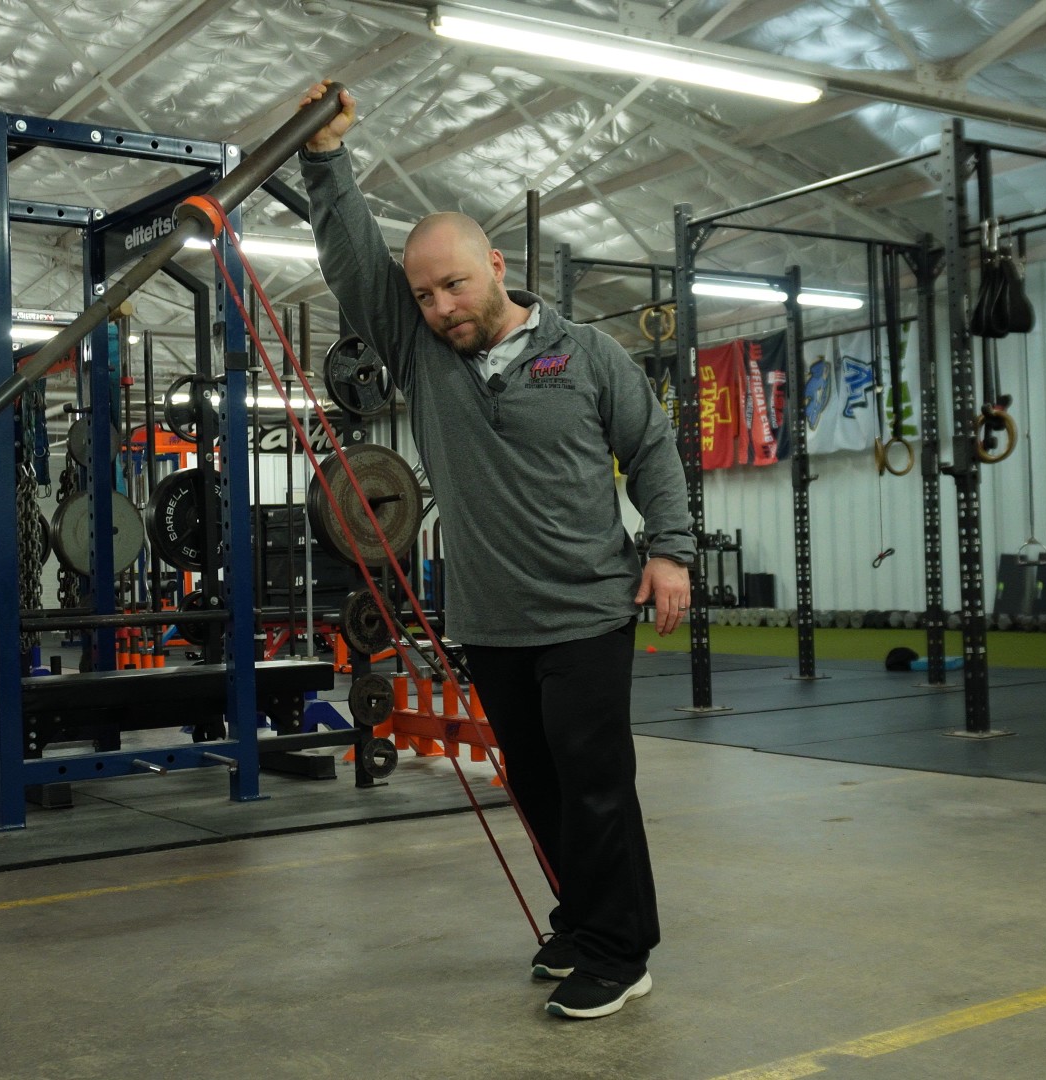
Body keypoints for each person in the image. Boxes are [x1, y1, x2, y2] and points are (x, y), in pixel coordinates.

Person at [297, 81, 696, 1020]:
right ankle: (583, 916)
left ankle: (620, 948)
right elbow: (354, 263)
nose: (440, 305)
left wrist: (670, 550)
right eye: (425, 293)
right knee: (535, 779)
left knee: (595, 783)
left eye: (455, 283)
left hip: (589, 608)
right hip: (488, 617)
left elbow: (652, 450)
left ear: (498, 266)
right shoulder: (422, 356)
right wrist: (326, 159)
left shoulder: (587, 353)